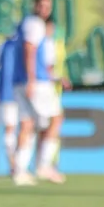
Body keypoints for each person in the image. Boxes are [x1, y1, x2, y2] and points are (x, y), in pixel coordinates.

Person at [12, 0, 60, 186]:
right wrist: (32, 79)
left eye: (48, 6)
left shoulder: (26, 23)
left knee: (27, 123)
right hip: (36, 82)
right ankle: (43, 165)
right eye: (41, 5)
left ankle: (20, 170)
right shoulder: (35, 24)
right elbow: (29, 50)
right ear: (34, 6)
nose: (44, 9)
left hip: (21, 81)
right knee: (56, 119)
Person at [34, 19, 68, 183]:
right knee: (57, 119)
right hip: (43, 85)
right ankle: (44, 165)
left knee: (41, 127)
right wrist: (59, 78)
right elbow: (47, 68)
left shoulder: (32, 42)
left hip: (34, 85)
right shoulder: (46, 43)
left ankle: (40, 165)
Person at [0, 32, 20, 175]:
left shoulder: (5, 45)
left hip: (11, 93)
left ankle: (17, 165)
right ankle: (14, 165)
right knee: (13, 129)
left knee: (22, 129)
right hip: (13, 93)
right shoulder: (10, 46)